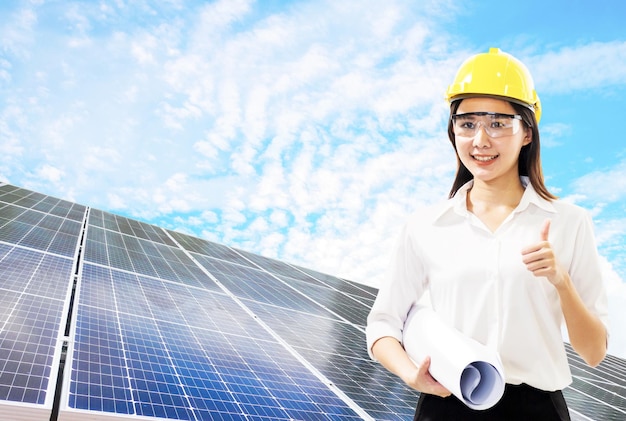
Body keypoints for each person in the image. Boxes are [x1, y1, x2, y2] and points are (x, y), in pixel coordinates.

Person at [366, 48, 609, 421]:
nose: (480, 140)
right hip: (446, 405)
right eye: (467, 123)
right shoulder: (425, 226)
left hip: (537, 410)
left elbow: (593, 352)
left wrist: (561, 281)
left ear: (527, 132)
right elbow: (383, 324)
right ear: (453, 131)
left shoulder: (570, 222)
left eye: (498, 123)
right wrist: (409, 374)